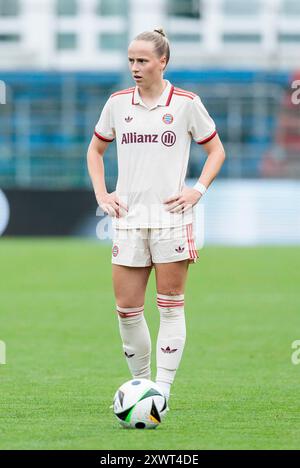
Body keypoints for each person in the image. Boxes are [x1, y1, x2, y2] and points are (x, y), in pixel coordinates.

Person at [87, 28, 225, 404]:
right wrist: (103, 193)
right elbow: (95, 151)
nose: (135, 67)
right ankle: (139, 388)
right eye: (131, 60)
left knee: (170, 304)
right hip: (128, 220)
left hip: (171, 219)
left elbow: (216, 151)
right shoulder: (117, 103)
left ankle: (161, 390)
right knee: (127, 310)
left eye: (142, 60)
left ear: (162, 62)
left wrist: (198, 190)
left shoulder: (185, 103)